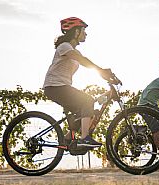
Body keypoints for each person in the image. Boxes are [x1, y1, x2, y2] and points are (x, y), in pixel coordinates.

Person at [43, 17, 116, 148]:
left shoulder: (73, 50)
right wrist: (101, 70)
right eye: (83, 30)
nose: (86, 33)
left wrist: (107, 76)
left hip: (61, 86)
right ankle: (84, 138)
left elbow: (84, 62)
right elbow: (82, 60)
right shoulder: (64, 47)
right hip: (55, 86)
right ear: (76, 32)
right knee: (87, 100)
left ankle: (66, 140)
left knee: (86, 113)